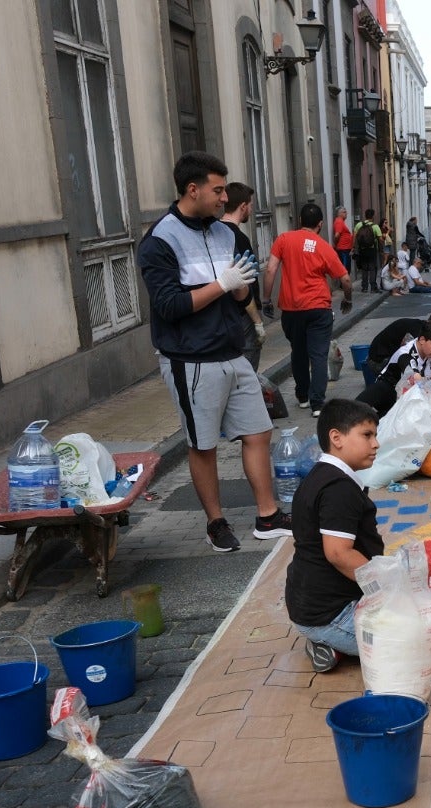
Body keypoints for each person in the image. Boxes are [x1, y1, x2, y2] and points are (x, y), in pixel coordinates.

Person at [137, 150, 290, 552]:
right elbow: (169, 306)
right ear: (193, 189)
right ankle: (215, 523)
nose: (225, 199)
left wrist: (241, 291)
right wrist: (221, 285)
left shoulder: (228, 234)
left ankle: (268, 515)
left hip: (232, 351)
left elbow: (244, 291)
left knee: (258, 431)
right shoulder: (159, 241)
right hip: (190, 359)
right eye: (218, 190)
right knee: (202, 443)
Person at [286, 398, 384, 671]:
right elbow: (339, 554)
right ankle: (330, 638)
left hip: (313, 605)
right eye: (367, 435)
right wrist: (386, 588)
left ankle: (332, 647)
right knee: (414, 641)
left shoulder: (322, 476)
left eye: (375, 435)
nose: (375, 444)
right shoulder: (337, 488)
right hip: (331, 613)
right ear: (336, 438)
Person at [261, 202, 354, 415]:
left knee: (298, 352)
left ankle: (302, 396)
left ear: (301, 221)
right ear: (320, 224)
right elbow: (346, 279)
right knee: (318, 355)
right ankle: (317, 404)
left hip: (291, 311)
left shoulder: (283, 240)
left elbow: (270, 270)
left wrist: (266, 300)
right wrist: (347, 300)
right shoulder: (323, 246)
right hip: (318, 308)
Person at [354, 318, 431, 418]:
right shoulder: (405, 353)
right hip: (388, 390)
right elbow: (417, 380)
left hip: (407, 395)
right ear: (422, 340)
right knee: (357, 411)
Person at [220, 182, 267, 368]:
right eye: (251, 206)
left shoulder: (215, 231)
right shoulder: (238, 238)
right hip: (242, 314)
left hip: (225, 315)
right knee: (247, 369)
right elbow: (242, 284)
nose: (251, 210)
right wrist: (257, 321)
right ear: (243, 206)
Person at [353, 209, 382, 292]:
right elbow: (380, 239)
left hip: (362, 249)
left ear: (365, 215)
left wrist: (353, 248)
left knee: (364, 268)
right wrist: (381, 249)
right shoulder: (375, 226)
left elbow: (354, 237)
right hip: (372, 249)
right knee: (372, 268)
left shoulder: (359, 225)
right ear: (373, 216)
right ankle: (373, 287)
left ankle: (364, 287)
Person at [332, 206, 355, 270]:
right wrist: (335, 244)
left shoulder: (341, 221)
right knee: (344, 269)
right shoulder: (339, 222)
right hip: (343, 250)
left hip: (345, 249)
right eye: (344, 212)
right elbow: (337, 235)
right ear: (339, 214)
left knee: (346, 268)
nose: (346, 213)